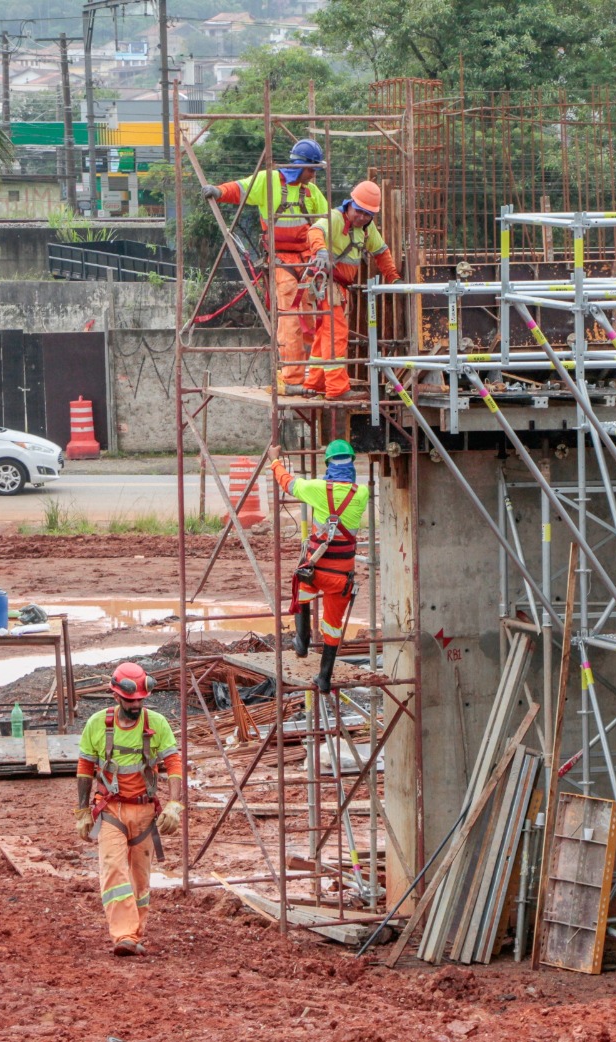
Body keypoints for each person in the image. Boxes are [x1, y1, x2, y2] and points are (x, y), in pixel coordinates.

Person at [200, 139, 328, 393]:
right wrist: (219, 191)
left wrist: (324, 252)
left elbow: (326, 224)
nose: (314, 175)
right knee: (290, 318)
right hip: (282, 261)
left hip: (308, 261)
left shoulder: (312, 193)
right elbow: (240, 188)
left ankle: (313, 376)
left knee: (312, 319)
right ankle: (292, 379)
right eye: (311, 170)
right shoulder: (267, 181)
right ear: (300, 166)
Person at [74, 661, 184, 957]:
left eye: (140, 701)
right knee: (114, 870)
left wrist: (175, 804)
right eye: (130, 700)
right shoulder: (97, 724)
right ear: (116, 696)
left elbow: (174, 764)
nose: (135, 705)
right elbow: (85, 767)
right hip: (111, 811)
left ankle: (134, 934)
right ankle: (123, 934)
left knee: (139, 879)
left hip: (145, 812)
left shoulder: (157, 724)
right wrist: (82, 811)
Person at [269, 438, 370, 692]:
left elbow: (288, 484)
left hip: (314, 571)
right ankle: (324, 678)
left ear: (328, 464)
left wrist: (274, 460)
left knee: (301, 591)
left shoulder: (316, 488)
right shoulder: (362, 493)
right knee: (333, 627)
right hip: (342, 578)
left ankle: (302, 641)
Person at [302, 180, 402, 400]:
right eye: (359, 212)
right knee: (335, 335)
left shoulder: (366, 228)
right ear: (350, 204)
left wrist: (393, 277)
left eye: (368, 214)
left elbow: (381, 251)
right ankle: (337, 389)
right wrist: (320, 251)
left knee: (324, 336)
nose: (362, 217)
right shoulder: (335, 218)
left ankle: (315, 383)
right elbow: (315, 231)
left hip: (337, 288)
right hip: (328, 285)